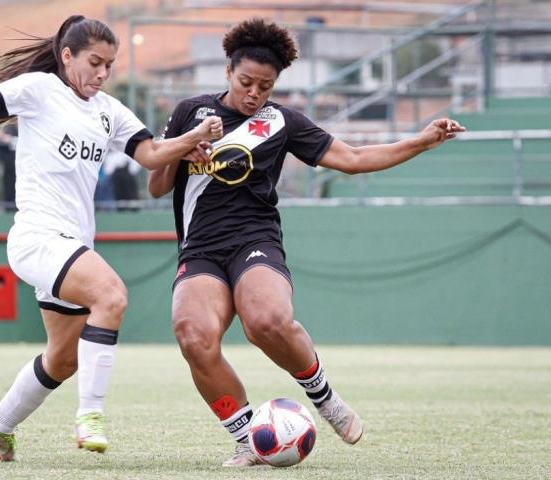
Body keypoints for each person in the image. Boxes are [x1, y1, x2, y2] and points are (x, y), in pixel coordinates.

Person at [148, 17, 465, 467]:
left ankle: (328, 401)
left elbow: (353, 159)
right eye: (246, 82)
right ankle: (247, 440)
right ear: (227, 72)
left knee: (267, 321)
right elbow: (157, 185)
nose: (254, 93)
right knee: (192, 335)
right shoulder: (190, 113)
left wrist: (421, 141)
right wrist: (182, 147)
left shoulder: (281, 122)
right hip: (199, 249)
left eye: (265, 85)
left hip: (254, 240)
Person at [0, 14, 223, 462]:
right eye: (94, 62)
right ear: (66, 55)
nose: (102, 73)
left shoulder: (109, 110)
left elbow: (151, 155)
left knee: (63, 359)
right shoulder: (39, 89)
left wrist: (189, 139)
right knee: (111, 296)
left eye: (109, 65)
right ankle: (90, 416)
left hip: (73, 246)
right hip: (37, 238)